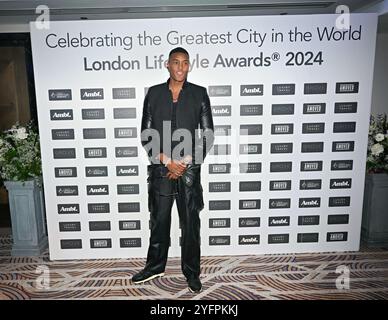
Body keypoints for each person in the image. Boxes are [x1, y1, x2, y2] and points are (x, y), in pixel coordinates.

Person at [132, 47, 214, 293]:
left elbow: (207, 134)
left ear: (190, 66)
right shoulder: (154, 94)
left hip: (188, 172)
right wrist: (166, 160)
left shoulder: (200, 94)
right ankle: (155, 266)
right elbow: (146, 133)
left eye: (185, 63)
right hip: (161, 169)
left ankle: (192, 272)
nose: (180, 67)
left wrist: (185, 161)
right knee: (159, 220)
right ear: (167, 65)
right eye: (176, 62)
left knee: (190, 224)